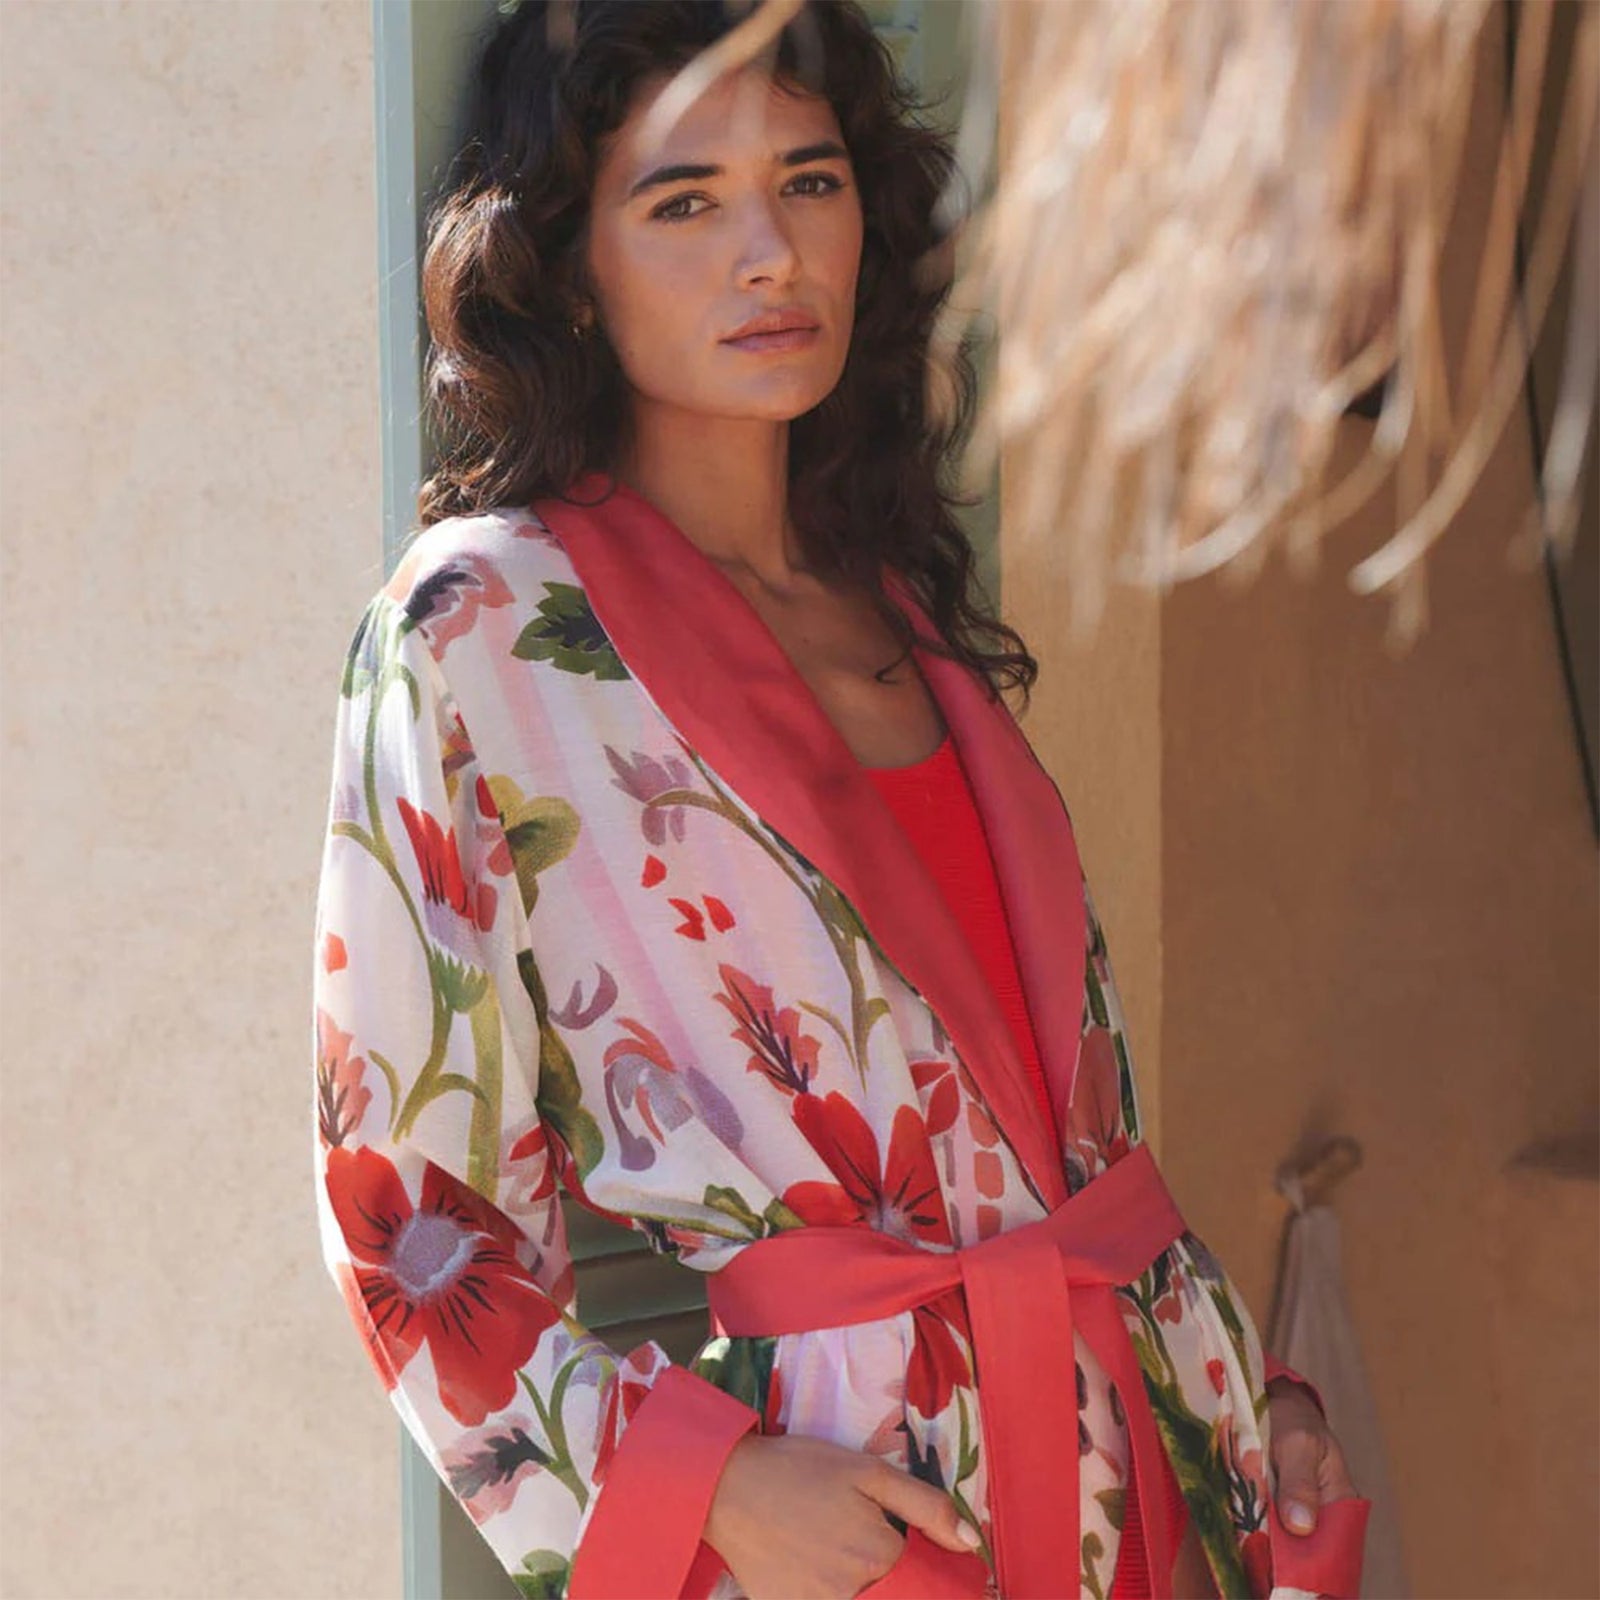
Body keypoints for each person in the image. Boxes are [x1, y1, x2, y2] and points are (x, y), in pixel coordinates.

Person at [310, 3, 1370, 1596]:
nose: (770, 252)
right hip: (875, 1512)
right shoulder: (484, 632)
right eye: (684, 203)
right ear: (566, 266)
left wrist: (1236, 1397)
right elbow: (409, 1223)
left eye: (809, 182)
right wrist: (711, 1486)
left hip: (1160, 1476)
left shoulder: (896, 599)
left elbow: (1049, 1138)